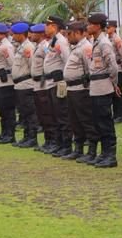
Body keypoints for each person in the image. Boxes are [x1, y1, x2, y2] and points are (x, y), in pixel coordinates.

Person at [86, 13, 119, 168]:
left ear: (98, 26)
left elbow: (113, 66)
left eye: (90, 24)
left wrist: (114, 84)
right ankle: (104, 153)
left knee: (105, 121)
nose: (88, 27)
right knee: (98, 121)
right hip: (96, 86)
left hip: (104, 86)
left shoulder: (104, 43)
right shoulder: (96, 41)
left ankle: (110, 155)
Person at [63, 21, 95, 162]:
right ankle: (78, 149)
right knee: (74, 121)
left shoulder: (86, 47)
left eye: (69, 34)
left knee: (86, 120)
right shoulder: (76, 47)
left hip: (81, 89)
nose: (67, 37)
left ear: (77, 33)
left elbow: (90, 69)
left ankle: (91, 150)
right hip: (71, 89)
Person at [45, 18, 73, 157]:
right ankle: (59, 143)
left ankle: (66, 145)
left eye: (47, 25)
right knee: (55, 114)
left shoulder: (61, 41)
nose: (45, 28)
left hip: (58, 83)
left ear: (54, 26)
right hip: (51, 82)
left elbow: (67, 60)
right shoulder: (53, 41)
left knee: (62, 114)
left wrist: (63, 78)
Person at [9, 22, 38, 148]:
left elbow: (32, 66)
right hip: (19, 85)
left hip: (26, 84)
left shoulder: (28, 48)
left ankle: (32, 137)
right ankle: (26, 136)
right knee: (23, 113)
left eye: (15, 34)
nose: (13, 36)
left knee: (30, 112)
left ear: (21, 34)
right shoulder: (21, 47)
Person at [0, 22, 17, 144]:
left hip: (5, 82)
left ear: (1, 34)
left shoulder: (6, 47)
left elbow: (12, 64)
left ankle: (10, 134)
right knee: (1, 109)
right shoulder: (0, 45)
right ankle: (4, 132)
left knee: (7, 109)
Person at [29, 22, 53, 151]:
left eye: (34, 33)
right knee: (41, 114)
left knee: (46, 113)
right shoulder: (37, 46)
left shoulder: (45, 46)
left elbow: (49, 61)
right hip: (36, 84)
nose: (31, 35)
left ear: (41, 34)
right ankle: (47, 140)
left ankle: (51, 140)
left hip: (43, 84)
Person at [107, 20, 122, 124]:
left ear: (114, 28)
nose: (107, 29)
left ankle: (120, 115)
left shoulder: (117, 39)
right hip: (111, 69)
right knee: (113, 93)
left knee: (118, 92)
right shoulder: (108, 39)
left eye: (109, 27)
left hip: (118, 69)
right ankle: (116, 114)